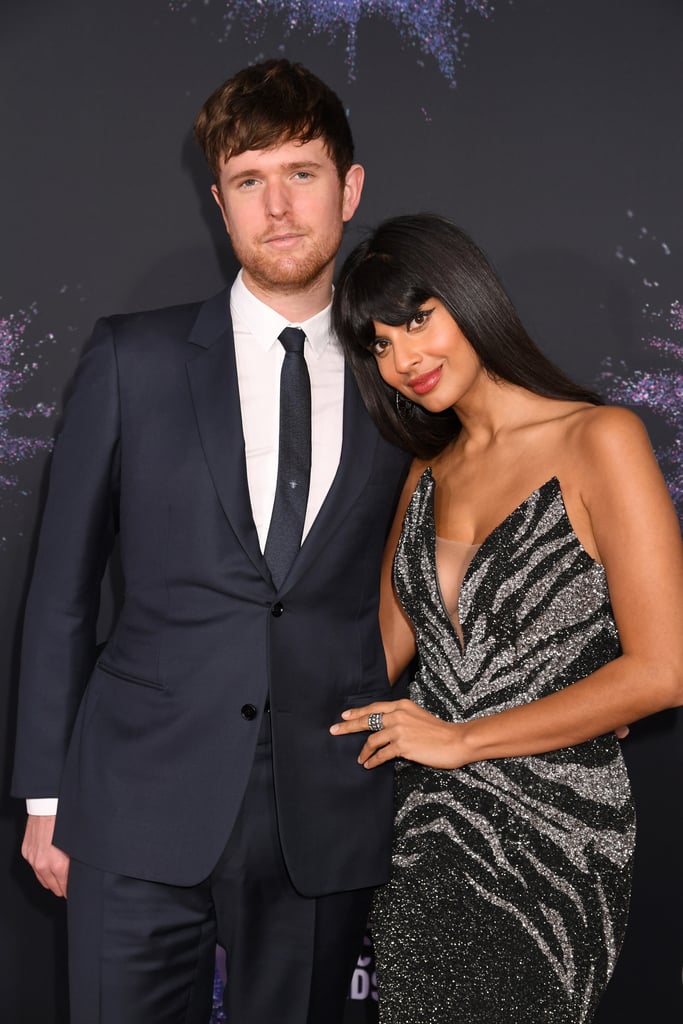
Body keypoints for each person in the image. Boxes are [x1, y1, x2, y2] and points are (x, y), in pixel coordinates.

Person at [11, 60, 408, 1024]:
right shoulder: (130, 357)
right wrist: (43, 799)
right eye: (246, 179)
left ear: (349, 188)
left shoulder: (406, 378)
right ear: (220, 203)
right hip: (132, 799)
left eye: (301, 174)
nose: (276, 206)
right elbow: (62, 588)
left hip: (324, 807)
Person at [330, 213, 683, 1023]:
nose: (404, 358)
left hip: (552, 835)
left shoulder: (599, 437)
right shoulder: (426, 470)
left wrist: (459, 738)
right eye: (379, 343)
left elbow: (662, 672)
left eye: (416, 320)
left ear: (467, 296)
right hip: (424, 832)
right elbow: (373, 656)